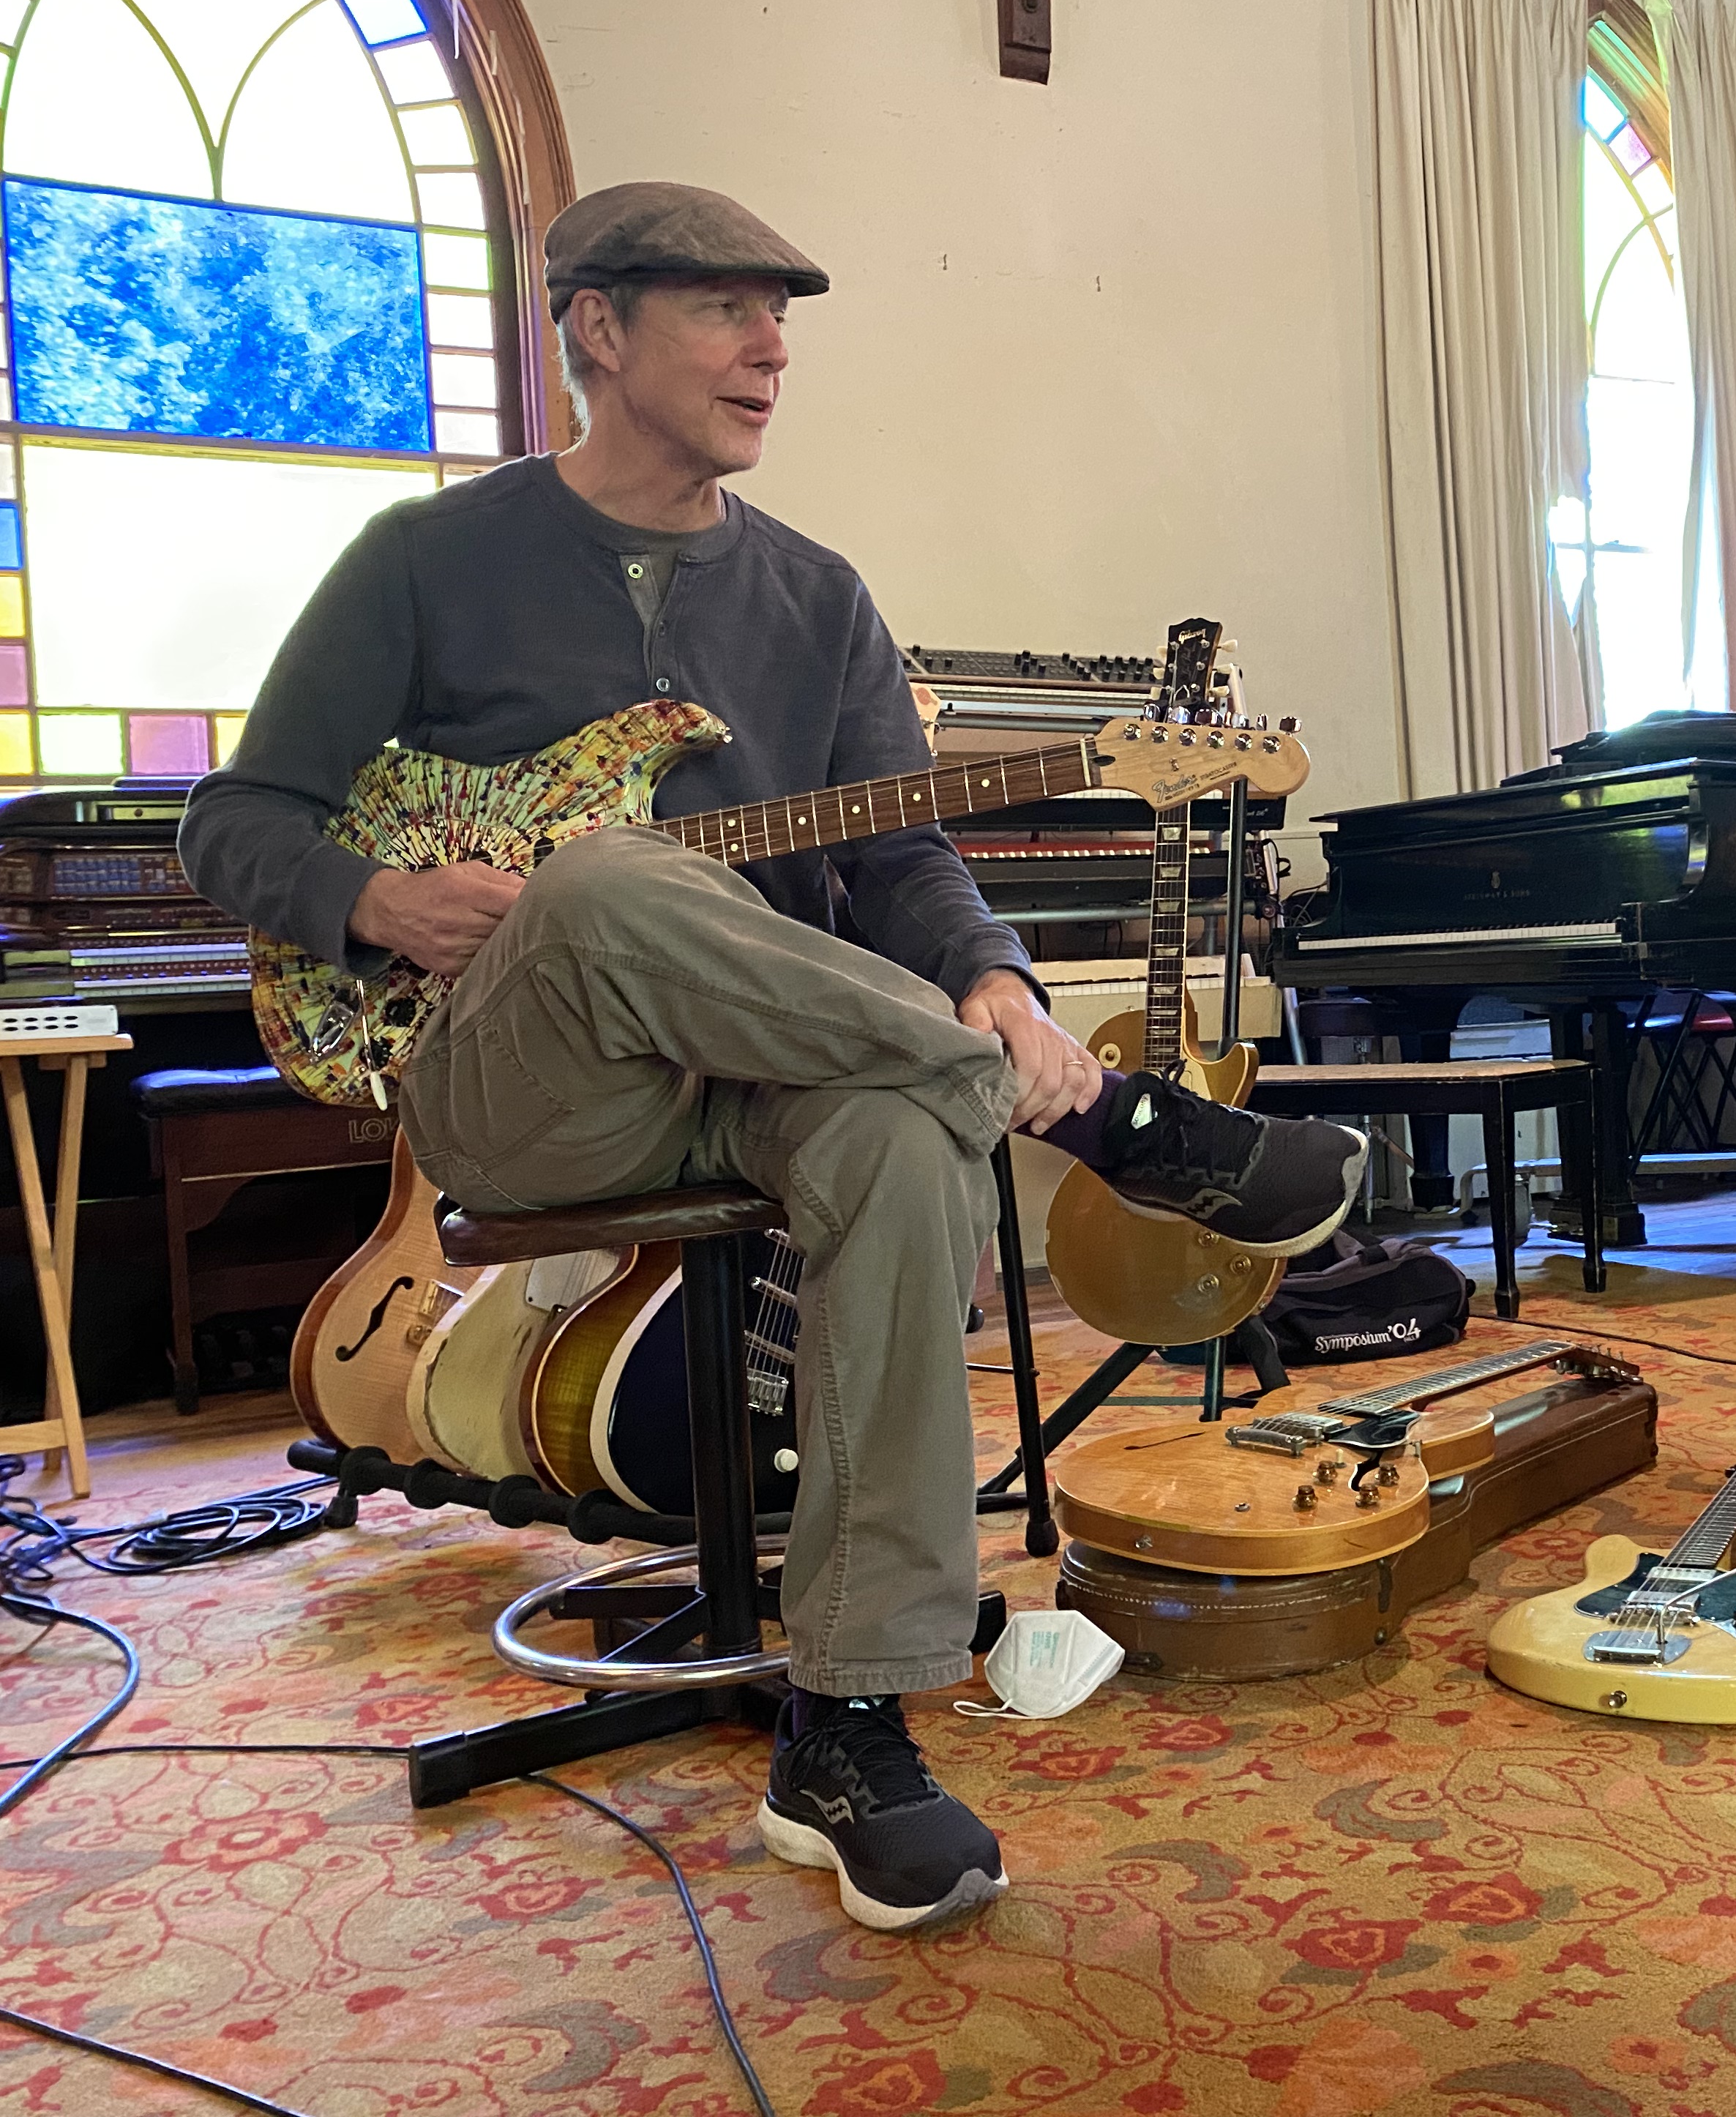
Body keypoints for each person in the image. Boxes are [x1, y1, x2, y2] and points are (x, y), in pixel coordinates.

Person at [181, 182, 1367, 1931]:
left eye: (782, 317)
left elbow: (902, 857)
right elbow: (233, 821)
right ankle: (1122, 1127)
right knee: (605, 878)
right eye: (724, 310)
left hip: (766, 1075)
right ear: (598, 329)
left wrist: (995, 980)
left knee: (896, 1137)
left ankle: (848, 1723)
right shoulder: (425, 560)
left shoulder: (816, 595)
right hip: (521, 1081)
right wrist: (374, 898)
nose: (771, 349)